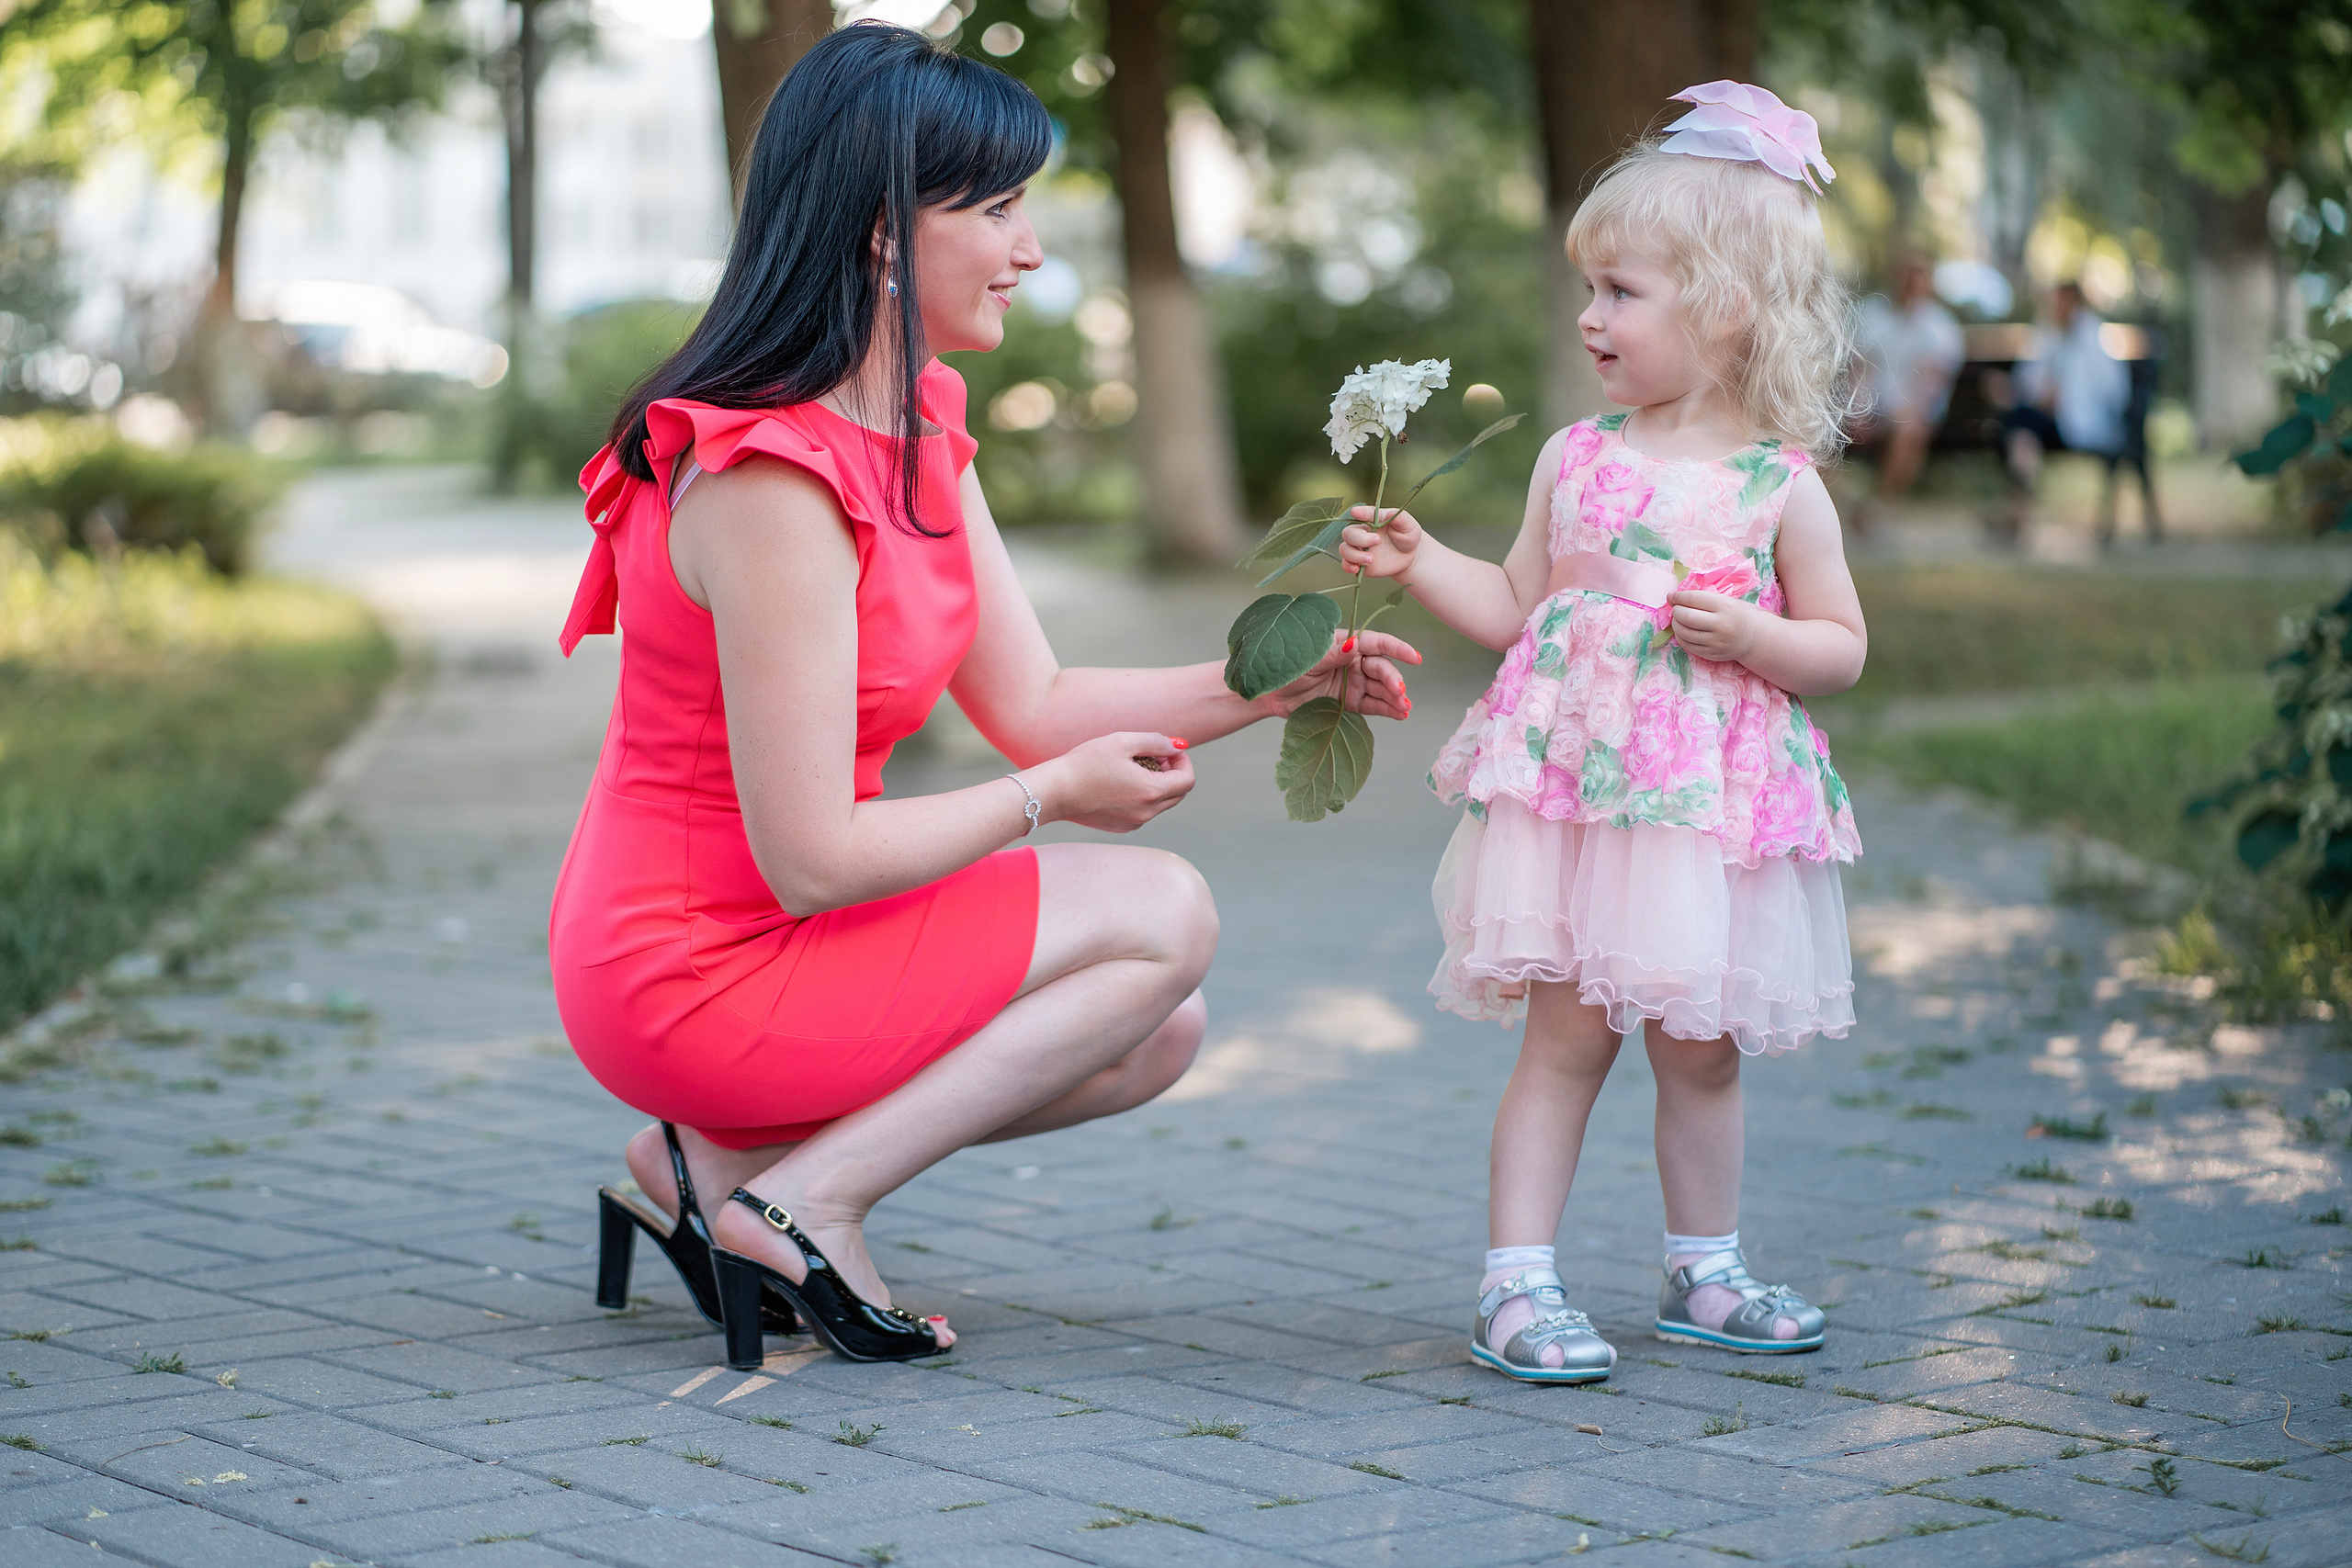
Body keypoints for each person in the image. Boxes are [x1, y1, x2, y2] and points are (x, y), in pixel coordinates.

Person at [550, 24, 1416, 1370]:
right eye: (1001, 209)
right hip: (693, 963)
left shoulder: (915, 423)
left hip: (782, 931)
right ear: (886, 231)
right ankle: (802, 1205)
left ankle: (712, 1167)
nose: (1032, 249)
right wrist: (1049, 800)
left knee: (1148, 1031)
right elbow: (817, 854)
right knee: (1162, 912)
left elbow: (1039, 700)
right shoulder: (771, 481)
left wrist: (1268, 684)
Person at [1337, 81, 1864, 1382]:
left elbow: (1842, 646)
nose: (1590, 316)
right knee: (1566, 1041)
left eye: (1621, 291)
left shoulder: (1779, 486)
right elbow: (1517, 607)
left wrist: (1758, 639)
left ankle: (1706, 1269)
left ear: (1726, 306)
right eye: (1591, 288)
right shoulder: (1575, 455)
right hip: (1585, 807)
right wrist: (1421, 561)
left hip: (1703, 820)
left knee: (1703, 1054)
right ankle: (1515, 1284)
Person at [1996, 281, 2132, 542]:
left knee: (2019, 422)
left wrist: (2067, 398)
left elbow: (2114, 390)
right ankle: (2019, 513)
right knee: (2020, 429)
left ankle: (2018, 513)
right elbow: (2028, 381)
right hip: (2051, 421)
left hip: (2085, 424)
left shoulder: (2096, 338)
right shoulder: (2047, 335)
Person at [1851, 254, 1963, 529]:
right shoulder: (1871, 313)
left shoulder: (1939, 327)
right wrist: (1857, 409)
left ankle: (1879, 507)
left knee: (1909, 431)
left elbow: (1931, 383)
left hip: (1912, 411)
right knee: (1822, 431)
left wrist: (1909, 411)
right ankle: (1835, 509)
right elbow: (1859, 369)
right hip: (1872, 407)